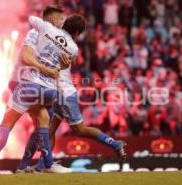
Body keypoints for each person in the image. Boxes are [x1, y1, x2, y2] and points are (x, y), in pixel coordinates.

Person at [0, 5, 71, 174]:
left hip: (33, 86)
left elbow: (32, 59)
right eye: (60, 19)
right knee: (41, 120)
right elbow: (33, 59)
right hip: (36, 87)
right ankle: (43, 165)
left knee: (19, 122)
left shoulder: (45, 36)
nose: (63, 22)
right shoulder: (48, 37)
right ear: (51, 19)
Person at [17, 22, 126, 174]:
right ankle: (41, 166)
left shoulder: (57, 39)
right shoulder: (70, 44)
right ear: (76, 32)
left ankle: (115, 144)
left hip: (62, 93)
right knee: (48, 130)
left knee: (78, 130)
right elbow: (74, 59)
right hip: (59, 92)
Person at [15, 13, 86, 173]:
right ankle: (46, 165)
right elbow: (71, 60)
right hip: (46, 87)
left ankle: (25, 166)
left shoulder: (44, 28)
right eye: (59, 18)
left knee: (40, 126)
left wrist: (45, 26)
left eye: (63, 19)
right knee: (43, 125)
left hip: (30, 82)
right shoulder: (72, 47)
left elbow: (31, 18)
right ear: (77, 33)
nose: (60, 20)